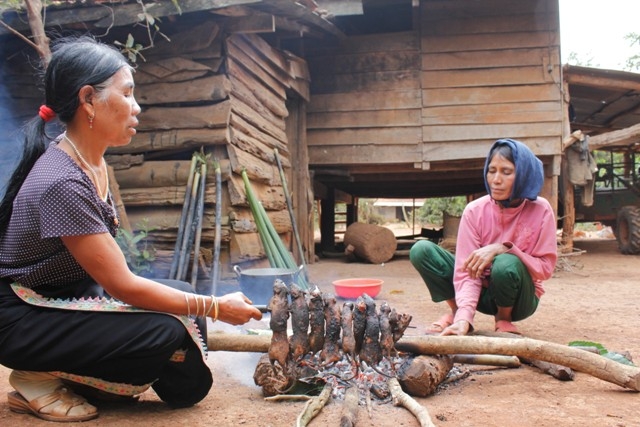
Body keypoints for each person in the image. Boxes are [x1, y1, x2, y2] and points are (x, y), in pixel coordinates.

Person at [0, 36, 262, 422]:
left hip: (64, 297)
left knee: (184, 304)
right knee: (167, 331)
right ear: (88, 99)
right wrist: (218, 308)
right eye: (128, 94)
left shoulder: (90, 163)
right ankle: (37, 374)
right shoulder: (61, 181)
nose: (137, 108)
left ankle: (98, 374)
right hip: (24, 317)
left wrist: (203, 307)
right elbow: (122, 285)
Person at [410, 138, 557, 336]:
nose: (496, 180)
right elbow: (465, 270)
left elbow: (545, 270)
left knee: (505, 263)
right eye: (491, 170)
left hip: (520, 298)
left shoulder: (542, 210)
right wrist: (465, 317)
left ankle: (503, 318)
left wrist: (503, 248)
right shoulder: (474, 211)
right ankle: (456, 313)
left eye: (506, 172)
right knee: (422, 251)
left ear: (523, 175)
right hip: (478, 292)